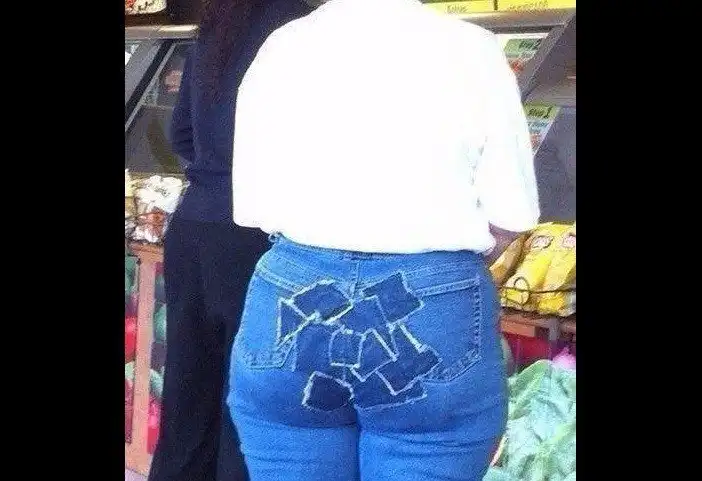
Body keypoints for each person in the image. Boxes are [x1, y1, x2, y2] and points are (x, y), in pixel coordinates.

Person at [226, 0, 541, 480]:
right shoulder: (471, 48)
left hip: (296, 297)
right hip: (431, 304)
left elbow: (253, 205)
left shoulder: (282, 45)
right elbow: (512, 212)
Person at [147, 1, 312, 481]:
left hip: (194, 224)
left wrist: (215, 171)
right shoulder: (301, 25)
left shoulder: (216, 23)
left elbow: (181, 132)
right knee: (246, 403)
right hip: (259, 233)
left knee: (186, 391)